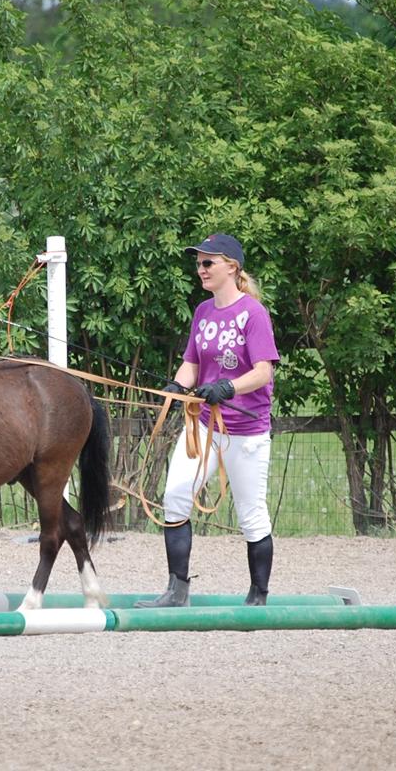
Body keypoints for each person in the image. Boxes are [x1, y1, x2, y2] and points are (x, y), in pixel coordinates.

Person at [136, 233, 279, 608]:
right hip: (203, 427)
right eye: (198, 263)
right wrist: (175, 386)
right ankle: (176, 591)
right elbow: (193, 363)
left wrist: (227, 388)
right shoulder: (203, 312)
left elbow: (263, 372)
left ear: (231, 267)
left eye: (207, 263)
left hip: (245, 431)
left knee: (251, 515)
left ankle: (258, 596)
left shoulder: (253, 313)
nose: (200, 269)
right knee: (176, 496)